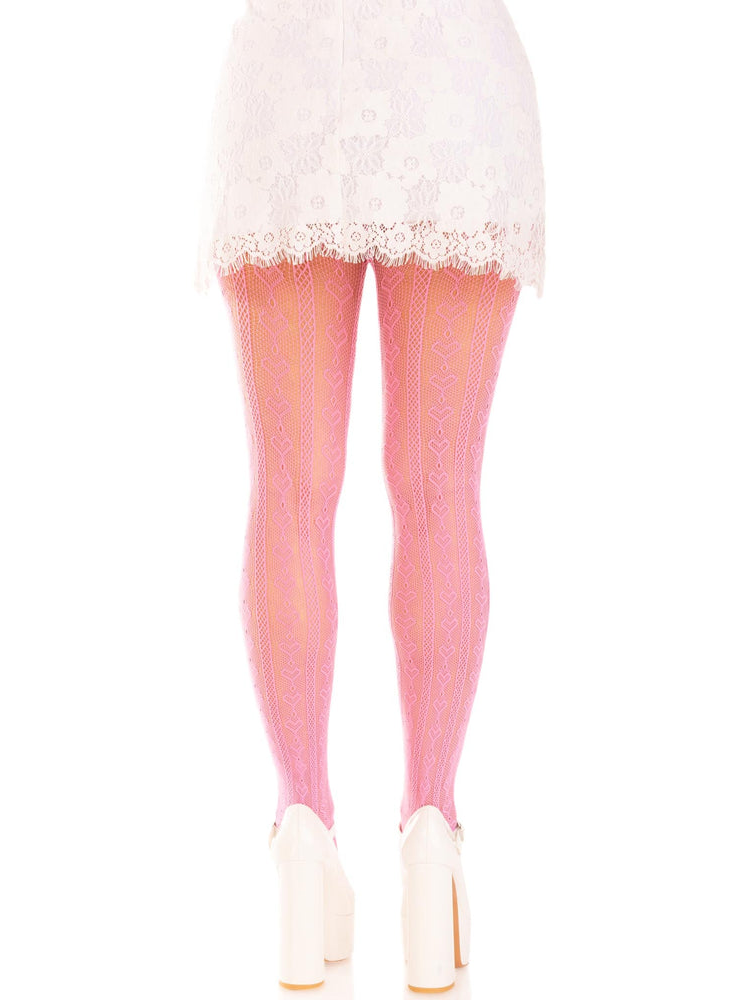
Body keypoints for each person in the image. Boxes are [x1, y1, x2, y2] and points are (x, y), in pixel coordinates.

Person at [194, 0, 545, 990]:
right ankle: (432, 830)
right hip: (454, 84)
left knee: (289, 490)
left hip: (288, 75)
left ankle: (302, 830)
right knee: (442, 489)